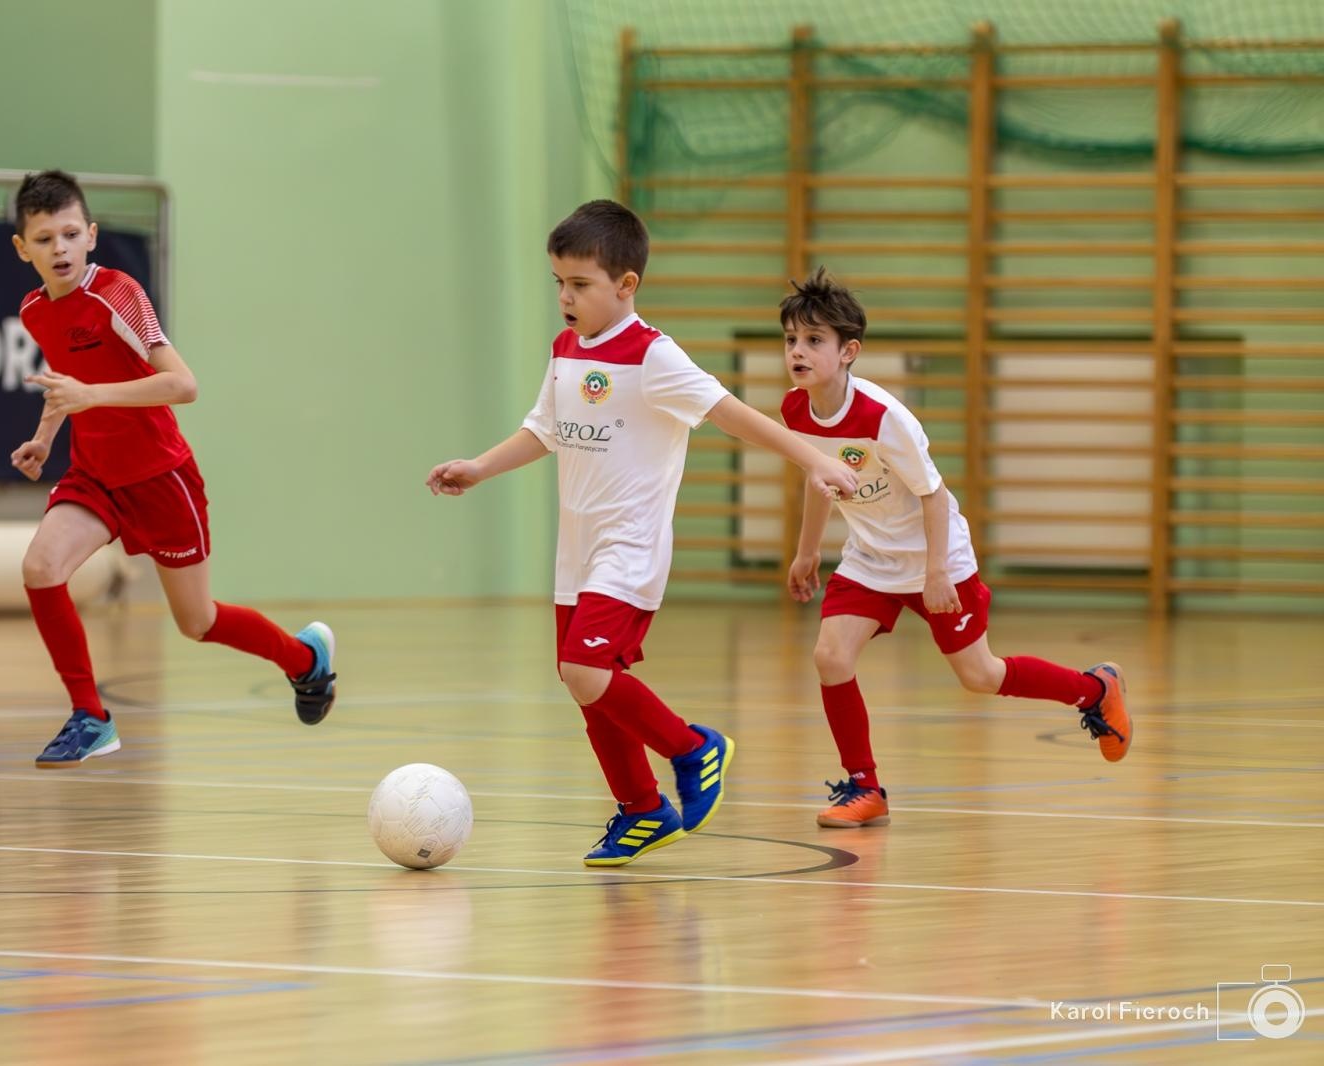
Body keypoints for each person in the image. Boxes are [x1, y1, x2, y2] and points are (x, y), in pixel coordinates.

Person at [426, 200, 860, 866]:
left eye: (580, 285)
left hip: (629, 547)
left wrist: (817, 458)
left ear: (626, 285)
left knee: (585, 668)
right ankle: (643, 809)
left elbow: (734, 415)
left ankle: (693, 748)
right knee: (581, 682)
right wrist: (479, 467)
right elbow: (545, 428)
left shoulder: (653, 355)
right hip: (576, 550)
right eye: (559, 284)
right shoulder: (566, 349)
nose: (565, 298)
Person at [778, 267, 1132, 828]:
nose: (798, 351)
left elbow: (935, 497)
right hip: (871, 559)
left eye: (814, 341)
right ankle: (865, 788)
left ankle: (1094, 689)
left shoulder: (884, 419)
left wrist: (937, 572)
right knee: (830, 656)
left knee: (980, 676)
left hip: (935, 557)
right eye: (792, 340)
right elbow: (819, 477)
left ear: (849, 352)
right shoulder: (795, 410)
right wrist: (806, 552)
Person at [8, 169, 336, 768]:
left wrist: (93, 397)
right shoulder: (35, 310)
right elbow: (67, 388)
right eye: (45, 238)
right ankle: (91, 717)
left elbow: (183, 385)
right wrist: (43, 437)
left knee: (198, 621)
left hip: (161, 479)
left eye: (70, 234)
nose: (59, 248)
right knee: (40, 567)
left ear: (91, 236)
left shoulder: (117, 294)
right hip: (95, 475)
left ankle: (305, 660)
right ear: (22, 248)